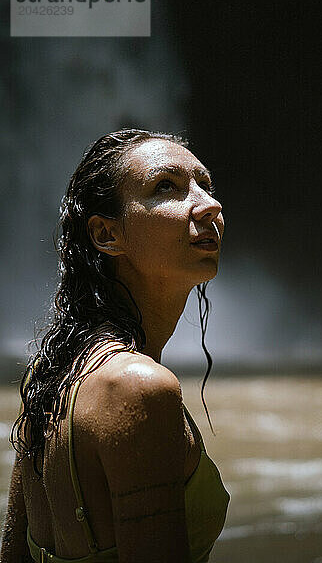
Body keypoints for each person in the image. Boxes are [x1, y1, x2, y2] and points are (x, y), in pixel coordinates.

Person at [0, 129, 230, 563]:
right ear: (107, 235)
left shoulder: (54, 371)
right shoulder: (139, 390)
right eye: (167, 187)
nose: (210, 203)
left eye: (205, 184)